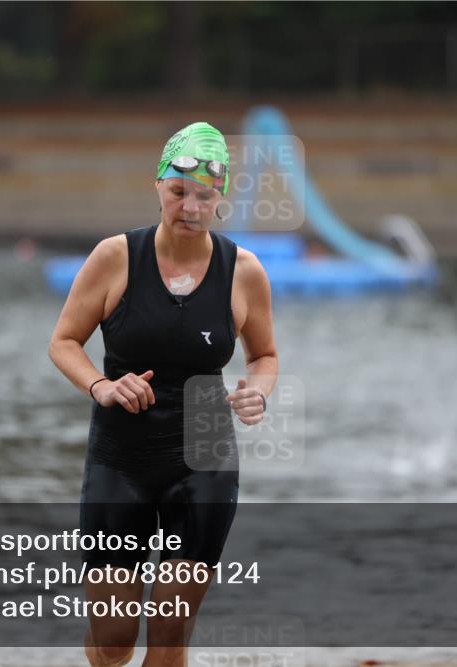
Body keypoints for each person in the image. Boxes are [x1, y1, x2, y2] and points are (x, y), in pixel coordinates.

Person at [48, 121, 278, 667]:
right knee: (114, 638)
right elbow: (63, 342)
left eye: (204, 196)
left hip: (204, 454)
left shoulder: (243, 271)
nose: (190, 207)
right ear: (158, 185)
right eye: (178, 192)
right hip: (121, 456)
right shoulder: (115, 257)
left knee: (171, 628)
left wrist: (259, 392)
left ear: (219, 198)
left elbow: (264, 356)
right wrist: (101, 385)